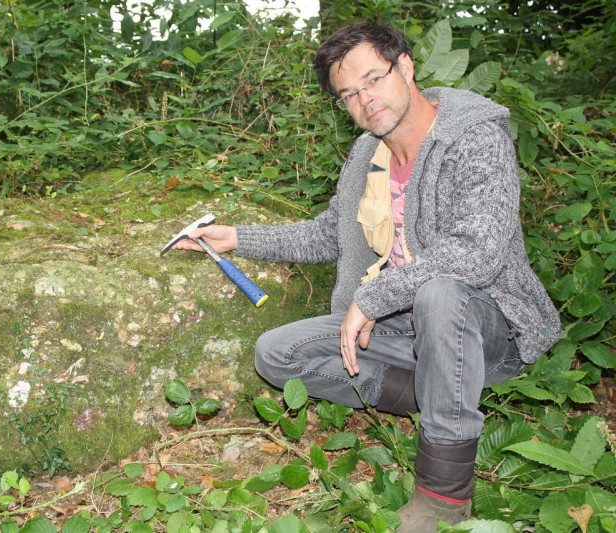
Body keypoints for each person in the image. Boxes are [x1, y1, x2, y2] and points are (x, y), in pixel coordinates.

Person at [170, 21, 559, 531]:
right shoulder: (366, 155)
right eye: (349, 94)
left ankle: (442, 498)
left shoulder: (474, 135)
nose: (365, 99)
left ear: (406, 67)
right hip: (402, 328)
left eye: (373, 79)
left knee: (441, 293)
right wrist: (237, 238)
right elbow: (330, 235)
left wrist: (374, 297)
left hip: (486, 327)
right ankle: (440, 390)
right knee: (278, 354)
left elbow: (478, 252)